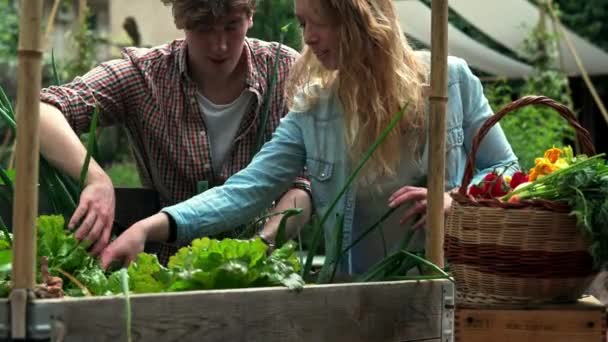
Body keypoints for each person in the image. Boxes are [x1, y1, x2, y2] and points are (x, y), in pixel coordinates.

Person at [100, 0, 518, 274]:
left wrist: (454, 200)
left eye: (319, 23)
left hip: (446, 284)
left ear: (359, 19)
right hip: (355, 296)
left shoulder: (451, 82)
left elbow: (506, 169)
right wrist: (150, 228)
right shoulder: (315, 109)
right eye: (303, 24)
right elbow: (246, 190)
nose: (308, 38)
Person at [38, 0, 312, 261]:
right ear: (182, 21)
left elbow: (302, 184)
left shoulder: (285, 71)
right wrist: (96, 180)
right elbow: (40, 111)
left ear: (250, 16)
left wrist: (256, 250)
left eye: (231, 26)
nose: (220, 45)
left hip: (260, 272)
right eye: (204, 29)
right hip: (164, 273)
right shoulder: (145, 77)